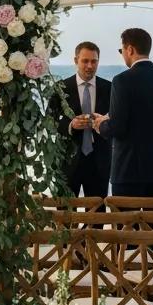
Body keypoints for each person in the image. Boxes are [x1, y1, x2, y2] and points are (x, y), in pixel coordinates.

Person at [96, 28, 153, 198]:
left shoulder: (122, 80)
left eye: (122, 51)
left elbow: (117, 128)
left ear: (130, 49)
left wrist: (100, 124)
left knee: (127, 223)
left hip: (129, 168)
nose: (123, 55)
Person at [54, 42, 111, 200]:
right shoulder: (61, 88)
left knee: (97, 213)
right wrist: (71, 125)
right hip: (68, 160)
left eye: (94, 61)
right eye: (85, 61)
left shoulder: (110, 88)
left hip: (99, 160)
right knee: (65, 212)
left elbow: (117, 120)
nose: (90, 66)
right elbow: (49, 121)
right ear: (75, 60)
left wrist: (104, 121)